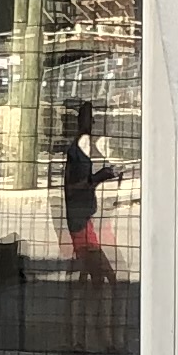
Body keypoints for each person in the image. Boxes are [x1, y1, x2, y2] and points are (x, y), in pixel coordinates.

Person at [59, 98, 114, 284]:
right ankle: (105, 282)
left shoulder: (79, 149)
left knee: (88, 252)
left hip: (80, 211)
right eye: (90, 119)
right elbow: (78, 185)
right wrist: (100, 176)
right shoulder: (80, 148)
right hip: (79, 212)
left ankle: (97, 282)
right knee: (90, 250)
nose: (93, 123)